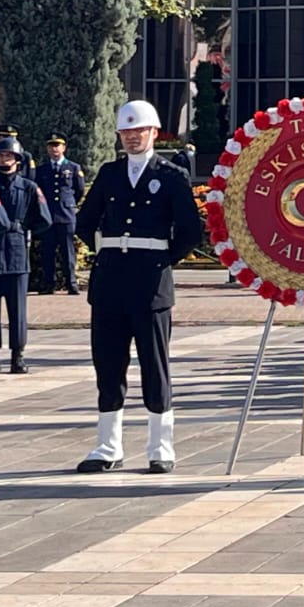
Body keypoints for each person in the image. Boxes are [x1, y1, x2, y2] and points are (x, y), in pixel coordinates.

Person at [73, 101, 203, 473]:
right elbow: (85, 222)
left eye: (138, 131)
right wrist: (108, 251)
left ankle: (160, 448)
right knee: (108, 366)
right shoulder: (110, 173)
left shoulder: (172, 175)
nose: (131, 137)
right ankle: (107, 446)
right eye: (125, 132)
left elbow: (190, 232)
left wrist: (160, 260)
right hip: (111, 282)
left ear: (153, 132)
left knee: (154, 366)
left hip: (150, 284)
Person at [0, 137, 51, 375]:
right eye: (1, 156)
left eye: (9, 156)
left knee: (17, 310)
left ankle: (17, 356)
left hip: (17, 254)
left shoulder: (29, 187)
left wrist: (22, 227)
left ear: (17, 160)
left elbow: (44, 219)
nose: (4, 159)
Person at [34, 132, 84, 296]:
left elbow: (79, 190)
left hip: (66, 215)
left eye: (57, 145)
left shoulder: (73, 168)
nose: (54, 149)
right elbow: (38, 191)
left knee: (67, 251)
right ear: (47, 149)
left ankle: (71, 283)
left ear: (64, 148)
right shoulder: (42, 170)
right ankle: (49, 284)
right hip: (48, 216)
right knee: (47, 251)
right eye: (51, 146)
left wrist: (69, 205)